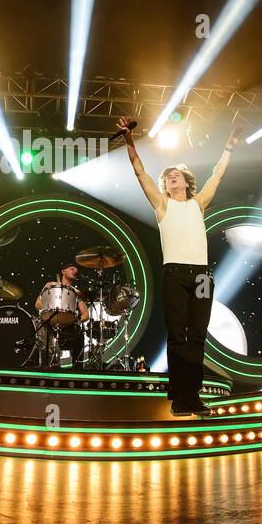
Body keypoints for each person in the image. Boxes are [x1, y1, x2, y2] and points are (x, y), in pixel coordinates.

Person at [119, 115, 240, 417]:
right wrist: (129, 139)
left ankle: (191, 395)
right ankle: (180, 395)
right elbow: (139, 172)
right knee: (177, 335)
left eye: (177, 175)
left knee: (197, 334)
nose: (172, 177)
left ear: (187, 182)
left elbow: (218, 176)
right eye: (168, 176)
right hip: (174, 273)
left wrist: (228, 147)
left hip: (200, 275)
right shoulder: (162, 204)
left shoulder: (198, 204)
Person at [34, 263, 89, 367]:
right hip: (51, 322)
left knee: (80, 333)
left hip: (69, 325)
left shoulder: (76, 292)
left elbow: (86, 314)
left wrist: (76, 321)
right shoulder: (50, 285)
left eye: (76, 270)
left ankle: (77, 370)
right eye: (72, 269)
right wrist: (53, 305)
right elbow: (37, 305)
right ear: (63, 271)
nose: (75, 271)